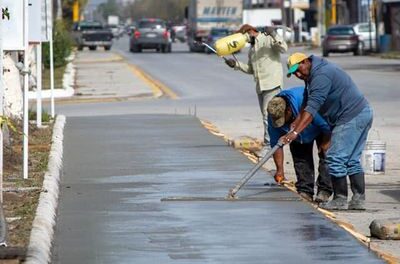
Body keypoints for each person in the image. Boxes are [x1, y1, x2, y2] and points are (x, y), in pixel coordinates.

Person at [282, 52, 373, 210]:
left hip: (351, 116)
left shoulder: (321, 74)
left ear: (305, 61)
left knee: (334, 157)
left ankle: (339, 199)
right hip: (361, 113)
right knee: (351, 159)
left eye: (298, 69)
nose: (297, 74)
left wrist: (295, 133)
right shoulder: (313, 73)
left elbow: (313, 107)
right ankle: (358, 199)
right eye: (294, 73)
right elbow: (306, 99)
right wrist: (296, 122)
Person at [225, 24, 288, 158]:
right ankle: (275, 143)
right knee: (267, 117)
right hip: (261, 86)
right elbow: (250, 69)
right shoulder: (252, 50)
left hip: (272, 83)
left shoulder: (267, 40)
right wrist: (236, 65)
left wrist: (274, 34)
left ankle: (268, 146)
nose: (246, 40)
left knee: (268, 115)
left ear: (251, 31)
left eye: (246, 36)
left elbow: (283, 48)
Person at [267, 86, 332, 202]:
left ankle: (324, 190)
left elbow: (327, 125)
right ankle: (305, 190)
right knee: (300, 158)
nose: (280, 123)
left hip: (320, 126)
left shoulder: (305, 103)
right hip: (296, 132)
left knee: (326, 156)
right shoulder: (273, 113)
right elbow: (276, 144)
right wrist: (280, 170)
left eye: (283, 119)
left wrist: (326, 141)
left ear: (288, 111)